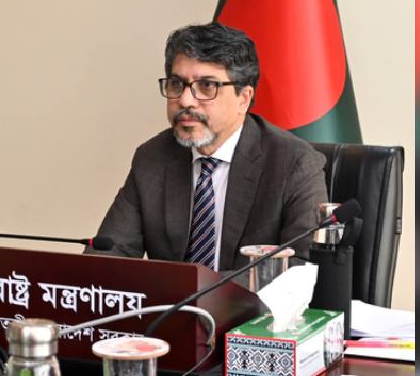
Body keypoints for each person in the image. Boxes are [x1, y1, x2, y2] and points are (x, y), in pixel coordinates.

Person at [87, 22, 327, 271]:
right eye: (176, 84)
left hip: (248, 299)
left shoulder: (293, 163)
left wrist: (197, 290)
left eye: (207, 86)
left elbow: (303, 266)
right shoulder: (153, 158)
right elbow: (108, 254)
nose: (185, 100)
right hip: (173, 298)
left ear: (243, 98)